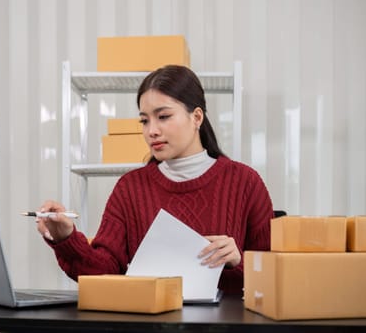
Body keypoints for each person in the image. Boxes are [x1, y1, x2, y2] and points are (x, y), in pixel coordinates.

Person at [36, 65, 274, 296]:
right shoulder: (129, 189)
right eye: (145, 120)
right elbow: (104, 271)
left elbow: (273, 276)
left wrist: (237, 262)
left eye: (163, 116)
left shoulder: (245, 183)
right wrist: (65, 238)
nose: (152, 131)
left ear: (197, 117)